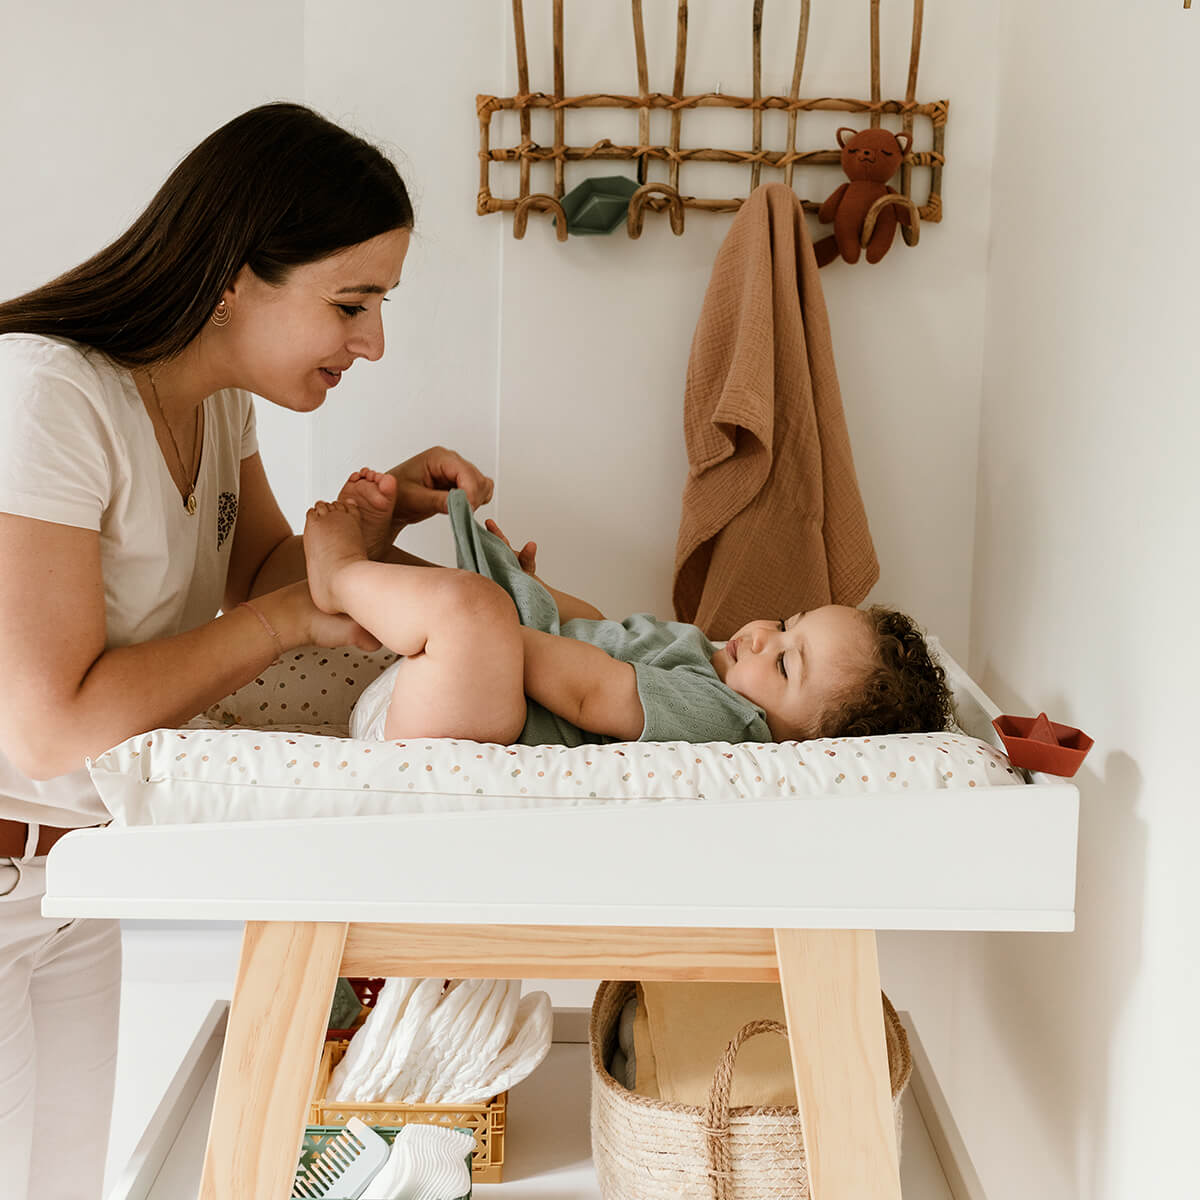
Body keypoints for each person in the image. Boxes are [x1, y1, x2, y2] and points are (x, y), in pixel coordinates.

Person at [0, 103, 495, 1199]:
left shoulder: (215, 412)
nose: (372, 342)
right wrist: (286, 620)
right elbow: (50, 723)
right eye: (351, 303)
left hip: (70, 868)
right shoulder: (45, 396)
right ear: (234, 276)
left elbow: (271, 572)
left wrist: (381, 523)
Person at [302, 474, 956, 750]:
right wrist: (538, 591)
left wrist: (498, 621)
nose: (761, 637)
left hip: (444, 728)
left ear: (799, 742)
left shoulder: (726, 719)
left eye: (786, 665)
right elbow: (607, 631)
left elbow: (591, 691)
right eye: (787, 625)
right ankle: (386, 580)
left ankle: (340, 577)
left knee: (471, 612)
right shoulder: (708, 657)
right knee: (476, 609)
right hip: (437, 696)